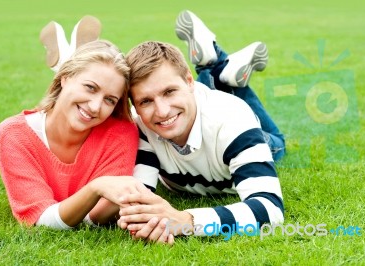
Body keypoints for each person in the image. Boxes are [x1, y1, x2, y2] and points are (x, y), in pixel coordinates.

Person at [117, 10, 285, 244]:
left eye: (169, 91)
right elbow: (140, 199)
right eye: (145, 101)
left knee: (277, 144)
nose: (162, 111)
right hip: (204, 114)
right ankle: (217, 67)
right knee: (183, 110)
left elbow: (270, 209)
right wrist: (145, 219)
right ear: (134, 105)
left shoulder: (233, 119)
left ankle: (214, 64)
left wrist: (185, 221)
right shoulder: (140, 124)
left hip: (234, 127)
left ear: (189, 81)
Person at [0, 38, 148, 229]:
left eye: (109, 100)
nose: (95, 106)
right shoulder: (14, 135)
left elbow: (99, 215)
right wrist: (96, 188)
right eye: (90, 87)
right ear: (64, 78)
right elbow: (39, 220)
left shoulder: (120, 132)